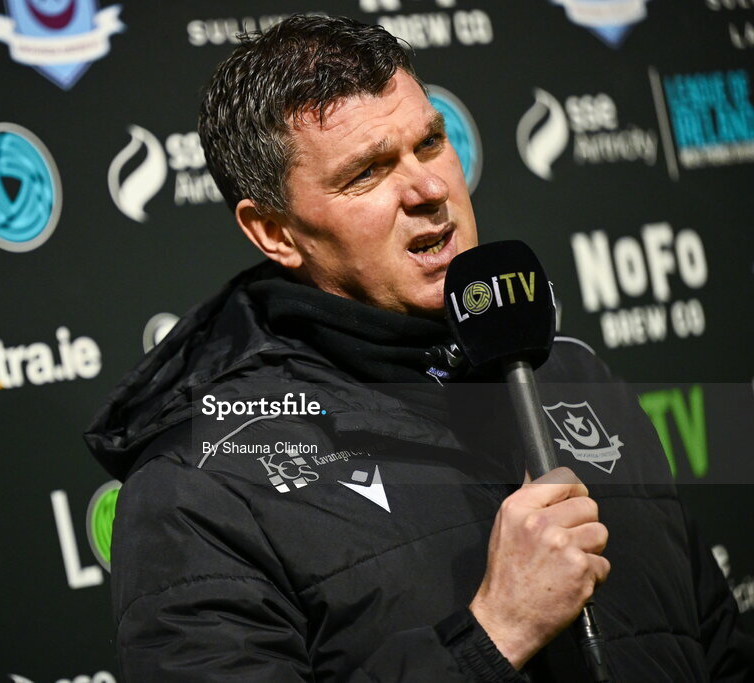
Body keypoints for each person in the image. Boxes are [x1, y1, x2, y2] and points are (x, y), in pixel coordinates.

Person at [85, 14, 752, 682]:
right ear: (274, 231)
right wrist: (495, 632)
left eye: (431, 143)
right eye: (368, 172)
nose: (429, 190)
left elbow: (717, 648)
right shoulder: (201, 484)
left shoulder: (570, 373)